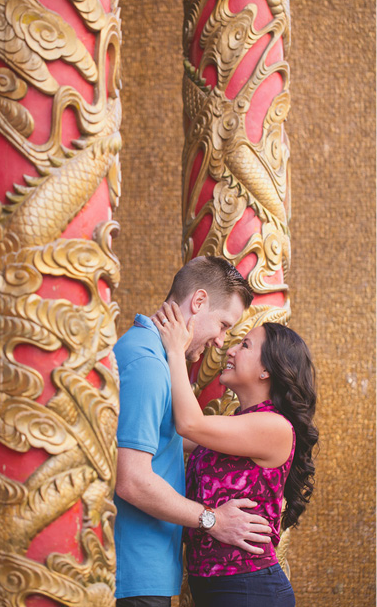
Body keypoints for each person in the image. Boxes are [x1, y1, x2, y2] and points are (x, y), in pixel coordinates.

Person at [113, 256, 270, 606]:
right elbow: (132, 480)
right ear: (198, 302)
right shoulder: (147, 364)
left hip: (148, 565)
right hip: (135, 569)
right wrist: (213, 519)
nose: (221, 342)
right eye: (223, 325)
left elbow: (170, 436)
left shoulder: (156, 357)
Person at [153, 303, 318, 606]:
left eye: (245, 345)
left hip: (249, 587)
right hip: (215, 586)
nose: (230, 350)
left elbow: (188, 424)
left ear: (267, 370)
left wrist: (176, 350)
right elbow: (171, 435)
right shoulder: (238, 424)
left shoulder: (275, 426)